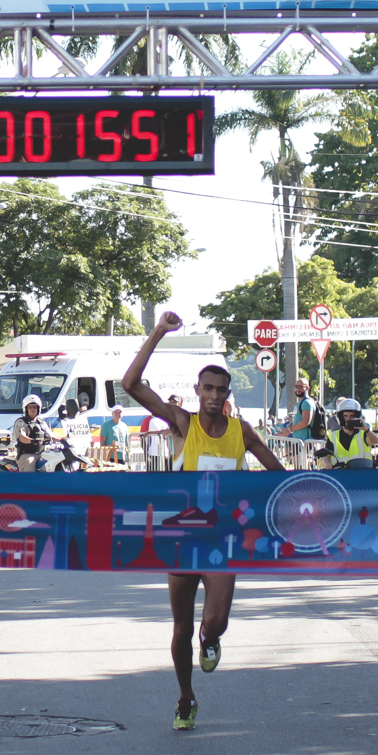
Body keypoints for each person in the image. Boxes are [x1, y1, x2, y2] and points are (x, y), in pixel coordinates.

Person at [122, 312, 286, 731]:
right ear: (197, 391)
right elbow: (130, 385)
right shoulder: (183, 423)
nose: (214, 395)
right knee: (180, 625)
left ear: (228, 394)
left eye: (220, 390)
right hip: (182, 536)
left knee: (215, 621)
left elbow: (280, 476)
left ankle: (209, 640)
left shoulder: (242, 431)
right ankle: (185, 697)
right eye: (207, 388)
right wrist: (158, 331)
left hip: (223, 539)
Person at [322, 398, 375, 468]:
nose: (348, 419)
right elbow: (326, 456)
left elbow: (374, 441)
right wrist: (328, 464)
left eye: (351, 416)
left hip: (362, 473)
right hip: (340, 474)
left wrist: (366, 429)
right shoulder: (333, 436)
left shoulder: (363, 433)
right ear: (340, 417)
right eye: (345, 416)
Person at [13, 395, 51, 472]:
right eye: (30, 407)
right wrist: (33, 441)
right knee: (30, 462)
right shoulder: (22, 422)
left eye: (34, 407)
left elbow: (51, 435)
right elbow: (22, 437)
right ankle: (26, 483)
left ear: (38, 409)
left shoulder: (41, 422)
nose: (32, 409)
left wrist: (64, 439)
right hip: (27, 455)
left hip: (42, 453)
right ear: (26, 409)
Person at [283, 377, 317, 442]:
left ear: (307, 388)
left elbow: (305, 422)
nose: (298, 389)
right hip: (298, 442)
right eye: (296, 387)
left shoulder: (307, 402)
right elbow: (297, 420)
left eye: (301, 387)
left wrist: (290, 429)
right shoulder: (300, 403)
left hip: (305, 443)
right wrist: (286, 429)